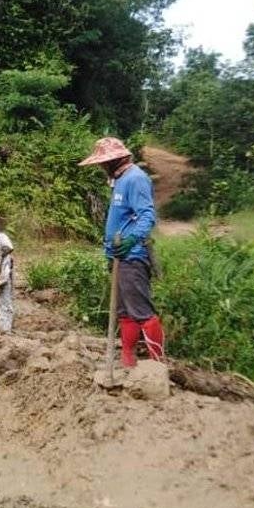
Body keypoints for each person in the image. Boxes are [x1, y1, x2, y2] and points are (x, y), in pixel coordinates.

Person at [78, 137, 165, 366]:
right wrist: (111, 253)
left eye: (102, 163)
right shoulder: (120, 180)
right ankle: (128, 361)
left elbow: (147, 216)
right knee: (125, 312)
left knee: (141, 311)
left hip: (133, 256)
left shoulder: (135, 179)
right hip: (119, 258)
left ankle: (157, 364)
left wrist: (131, 240)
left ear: (114, 160)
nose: (100, 167)